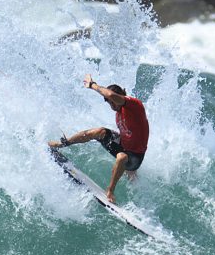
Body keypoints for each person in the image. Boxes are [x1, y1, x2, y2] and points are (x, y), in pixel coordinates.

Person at [48, 74, 149, 204]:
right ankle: (62, 144)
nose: (112, 105)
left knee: (122, 157)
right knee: (99, 131)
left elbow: (112, 95)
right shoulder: (118, 114)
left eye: (113, 101)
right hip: (124, 146)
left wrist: (92, 85)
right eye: (109, 102)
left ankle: (110, 191)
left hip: (135, 156)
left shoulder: (134, 105)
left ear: (121, 97)